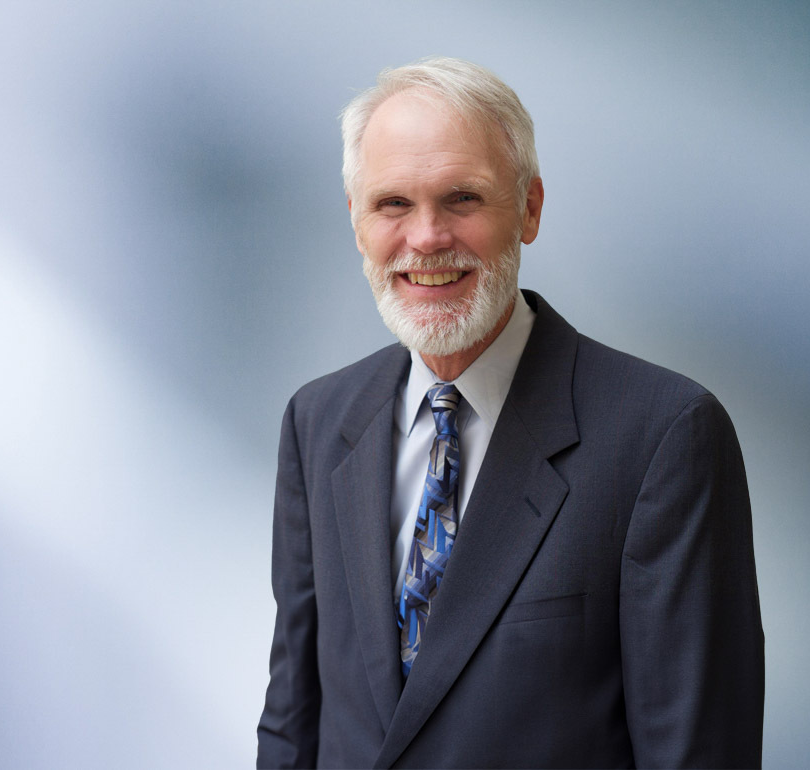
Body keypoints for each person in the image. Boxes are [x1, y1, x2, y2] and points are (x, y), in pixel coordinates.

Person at [256, 57, 764, 769]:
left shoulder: (663, 439)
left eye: (462, 199)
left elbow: (697, 754)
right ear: (355, 219)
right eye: (392, 204)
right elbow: (292, 728)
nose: (426, 237)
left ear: (529, 207)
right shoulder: (317, 423)